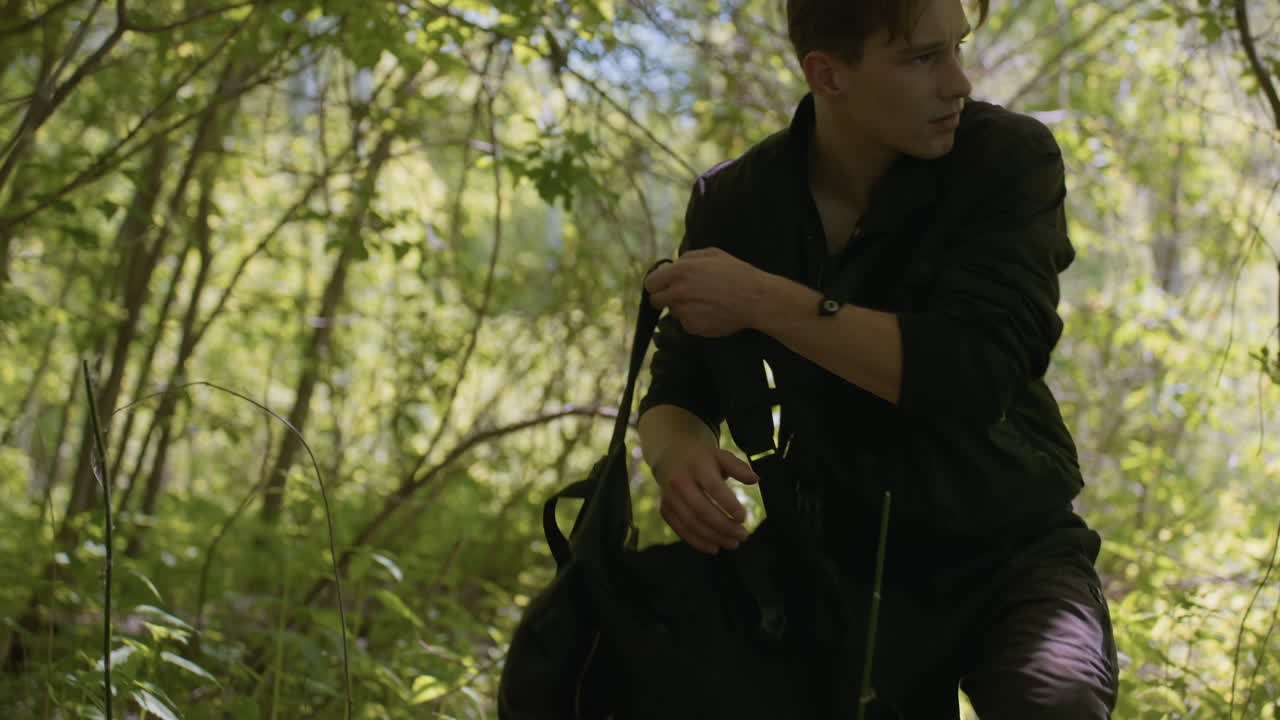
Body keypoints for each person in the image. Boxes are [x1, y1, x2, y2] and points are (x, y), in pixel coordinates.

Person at [635, 0, 1121, 717]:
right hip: (838, 572)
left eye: (958, 48)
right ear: (828, 75)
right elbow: (680, 382)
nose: (957, 81)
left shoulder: (1007, 160)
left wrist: (766, 300)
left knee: (1055, 705)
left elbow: (974, 370)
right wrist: (675, 454)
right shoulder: (737, 200)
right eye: (923, 58)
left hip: (1013, 551)